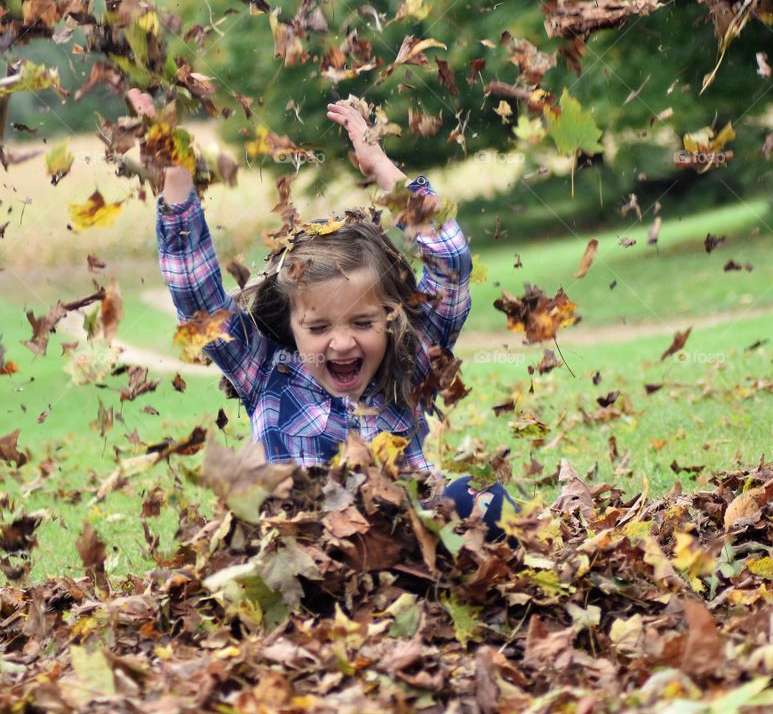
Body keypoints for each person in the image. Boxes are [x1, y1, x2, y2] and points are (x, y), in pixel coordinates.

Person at [145, 92, 521, 544]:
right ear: (291, 325)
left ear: (390, 316)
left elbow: (451, 261)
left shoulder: (411, 360)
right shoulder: (266, 372)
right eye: (319, 327)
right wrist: (176, 175)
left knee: (482, 496)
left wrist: (381, 167)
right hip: (310, 561)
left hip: (409, 553)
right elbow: (197, 298)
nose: (342, 344)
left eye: (363, 323)